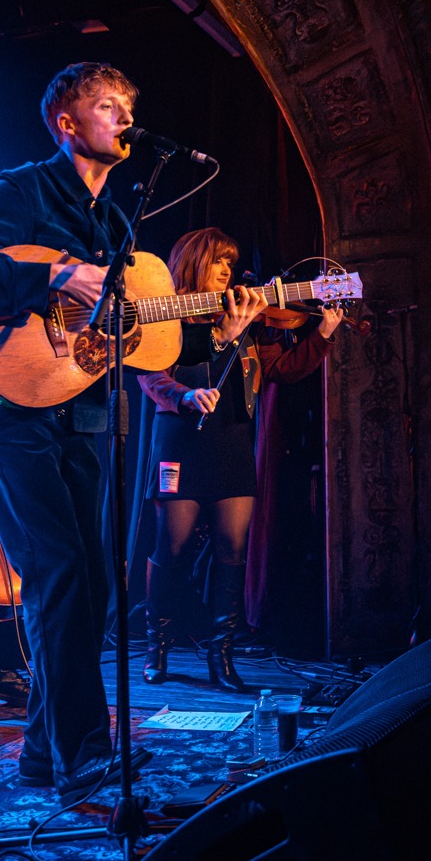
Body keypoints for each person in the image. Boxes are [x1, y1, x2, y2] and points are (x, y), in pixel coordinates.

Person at [0, 62, 267, 806]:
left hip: (85, 413)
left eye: (126, 105)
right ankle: (85, 751)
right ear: (68, 124)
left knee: (99, 586)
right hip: (13, 415)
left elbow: (146, 344)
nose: (122, 116)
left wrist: (229, 332)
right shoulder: (21, 189)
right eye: (106, 106)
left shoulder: (117, 223)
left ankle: (45, 755)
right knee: (57, 573)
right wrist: (53, 278)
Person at [137, 227, 343, 690]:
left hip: (230, 442)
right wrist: (187, 396)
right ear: (194, 263)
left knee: (233, 550)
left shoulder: (246, 316)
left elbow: (281, 369)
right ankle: (158, 646)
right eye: (218, 262)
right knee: (172, 547)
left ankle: (221, 657)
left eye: (230, 263)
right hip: (180, 442)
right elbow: (150, 376)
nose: (228, 270)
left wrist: (325, 331)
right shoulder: (167, 315)